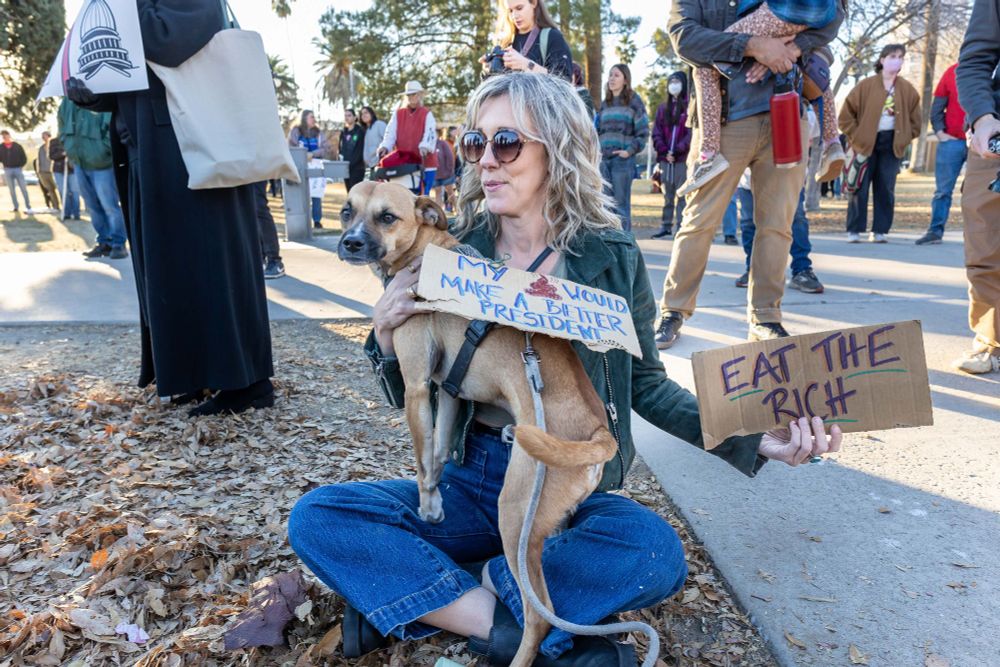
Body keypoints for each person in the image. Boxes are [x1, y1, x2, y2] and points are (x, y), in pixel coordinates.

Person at [288, 72, 844, 667]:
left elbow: (649, 387)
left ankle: (437, 597)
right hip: (470, 481)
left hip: (568, 479)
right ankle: (512, 629)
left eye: (507, 144)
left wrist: (754, 436)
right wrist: (383, 334)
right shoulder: (450, 246)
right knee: (320, 518)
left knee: (652, 550)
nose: (487, 162)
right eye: (477, 144)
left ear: (556, 150)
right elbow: (416, 389)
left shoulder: (610, 257)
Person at [65, 0, 274, 416]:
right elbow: (132, 72)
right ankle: (191, 373)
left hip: (192, 149)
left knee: (210, 266)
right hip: (149, 148)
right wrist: (90, 95)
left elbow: (169, 41)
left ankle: (245, 382)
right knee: (168, 271)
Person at [655, 0, 844, 348]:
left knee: (777, 224)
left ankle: (766, 317)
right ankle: (673, 310)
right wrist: (755, 46)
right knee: (699, 220)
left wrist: (792, 47)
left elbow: (833, 16)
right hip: (724, 121)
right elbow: (685, 38)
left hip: (786, 112)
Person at [680, 0, 844, 196]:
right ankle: (832, 141)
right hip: (816, 13)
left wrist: (763, 46)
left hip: (784, 11)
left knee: (706, 66)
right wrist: (793, 47)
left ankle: (708, 155)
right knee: (817, 68)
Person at [953, 0, 1000, 375]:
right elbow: (974, 61)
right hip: (997, 132)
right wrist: (982, 117)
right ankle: (991, 342)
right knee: (986, 243)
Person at [838, 44, 921, 244]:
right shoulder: (865, 86)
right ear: (883, 59)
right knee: (859, 187)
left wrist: (904, 138)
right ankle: (854, 230)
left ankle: (880, 231)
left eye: (901, 56)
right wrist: (857, 136)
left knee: (886, 187)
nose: (897, 60)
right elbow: (845, 117)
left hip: (891, 144)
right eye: (893, 56)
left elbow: (916, 121)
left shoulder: (907, 89)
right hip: (865, 143)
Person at [57, 99, 128, 259]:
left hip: (103, 164)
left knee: (110, 206)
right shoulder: (66, 103)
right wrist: (68, 147)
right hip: (80, 163)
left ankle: (118, 244)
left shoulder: (99, 96)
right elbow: (61, 128)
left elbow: (112, 129)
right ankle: (104, 242)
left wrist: (103, 151)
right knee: (92, 207)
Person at [735, 174, 825, 293]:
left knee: (796, 219)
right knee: (749, 222)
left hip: (789, 174)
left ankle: (802, 270)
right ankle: (753, 270)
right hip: (748, 179)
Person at [916, 63, 969, 246]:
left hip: (981, 142)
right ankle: (935, 232)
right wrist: (940, 132)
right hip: (952, 141)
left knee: (979, 192)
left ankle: (979, 235)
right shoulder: (951, 72)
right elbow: (937, 106)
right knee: (942, 192)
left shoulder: (992, 70)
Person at [596, 63, 649, 232]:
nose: (611, 78)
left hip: (622, 161)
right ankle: (611, 242)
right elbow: (598, 132)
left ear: (625, 80)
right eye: (610, 75)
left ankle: (625, 244)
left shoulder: (634, 101)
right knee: (606, 205)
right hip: (603, 161)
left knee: (620, 206)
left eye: (616, 75)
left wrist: (628, 151)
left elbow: (643, 132)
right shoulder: (605, 104)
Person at [377, 81, 438, 195]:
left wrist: (425, 146)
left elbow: (430, 134)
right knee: (402, 193)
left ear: (420, 95)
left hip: (425, 162)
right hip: (404, 162)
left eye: (414, 94)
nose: (411, 97)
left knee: (422, 195)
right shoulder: (398, 114)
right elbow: (390, 134)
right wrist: (385, 146)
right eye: (409, 95)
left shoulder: (426, 114)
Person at [651, 71, 692, 239]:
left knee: (681, 195)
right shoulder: (663, 108)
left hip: (681, 159)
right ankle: (666, 226)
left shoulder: (689, 106)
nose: (674, 84)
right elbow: (657, 132)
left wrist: (678, 150)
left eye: (677, 81)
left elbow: (691, 132)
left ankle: (680, 226)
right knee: (667, 195)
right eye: (671, 81)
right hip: (666, 159)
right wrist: (664, 150)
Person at [488, 0, 573, 80]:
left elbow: (564, 80)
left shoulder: (552, 36)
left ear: (533, 3)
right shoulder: (505, 42)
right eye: (510, 11)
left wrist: (526, 65)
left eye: (519, 8)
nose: (514, 16)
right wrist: (488, 71)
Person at [289, 109, 329, 229]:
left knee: (316, 194)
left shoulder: (318, 132)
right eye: (311, 117)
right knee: (301, 194)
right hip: (300, 166)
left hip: (316, 164)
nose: (314, 119)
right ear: (304, 118)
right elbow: (291, 146)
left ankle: (317, 220)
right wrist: (302, 155)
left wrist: (313, 153)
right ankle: (302, 220)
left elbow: (326, 148)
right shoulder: (295, 131)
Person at [255, 181, 284, 279]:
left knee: (258, 205)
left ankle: (274, 260)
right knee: (247, 207)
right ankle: (259, 258)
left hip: (255, 168)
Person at [48, 136, 81, 220]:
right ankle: (67, 213)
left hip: (72, 169)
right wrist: (63, 153)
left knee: (75, 191)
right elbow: (51, 156)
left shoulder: (73, 139)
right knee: (63, 191)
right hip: (59, 170)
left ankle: (76, 213)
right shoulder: (54, 141)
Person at [0, 130, 33, 214]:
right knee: (11, 190)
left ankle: (28, 206)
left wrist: (21, 165)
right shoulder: (1, 147)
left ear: (9, 135)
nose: (4, 137)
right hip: (7, 170)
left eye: (5, 135)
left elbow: (24, 157)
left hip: (18, 169)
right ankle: (16, 206)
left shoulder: (17, 146)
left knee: (23, 188)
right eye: (2, 136)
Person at [339, 108, 366, 193]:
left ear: (355, 117)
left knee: (356, 193)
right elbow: (340, 148)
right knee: (349, 192)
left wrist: (352, 163)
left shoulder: (360, 131)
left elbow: (360, 150)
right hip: (345, 168)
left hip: (357, 168)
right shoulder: (343, 132)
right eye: (345, 116)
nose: (347, 118)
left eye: (349, 115)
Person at [34, 131, 60, 212]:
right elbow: (39, 160)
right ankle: (56, 206)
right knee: (50, 190)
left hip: (53, 171)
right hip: (43, 172)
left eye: (44, 136)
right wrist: (39, 172)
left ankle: (67, 206)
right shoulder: (41, 148)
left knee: (59, 188)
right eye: (42, 136)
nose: (43, 138)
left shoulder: (54, 146)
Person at [433, 128, 457, 211]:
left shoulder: (443, 143)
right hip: (436, 175)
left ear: (438, 134)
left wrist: (450, 170)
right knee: (438, 193)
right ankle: (439, 213)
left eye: (435, 133)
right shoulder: (429, 144)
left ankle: (458, 210)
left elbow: (450, 157)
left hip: (447, 174)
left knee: (450, 192)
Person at [360, 106, 387, 177]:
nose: (364, 115)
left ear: (372, 114)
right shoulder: (366, 130)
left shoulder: (379, 124)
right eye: (362, 114)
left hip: (381, 164)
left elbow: (388, 140)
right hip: (371, 166)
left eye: (366, 113)